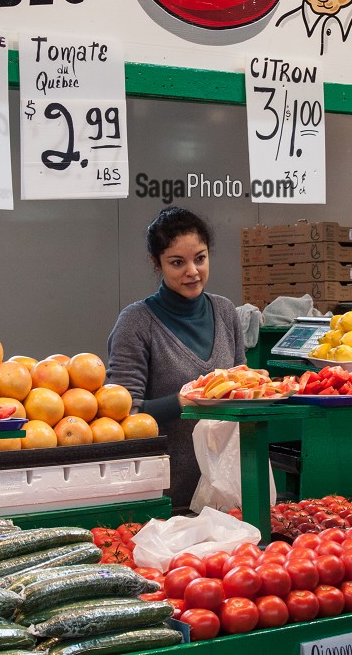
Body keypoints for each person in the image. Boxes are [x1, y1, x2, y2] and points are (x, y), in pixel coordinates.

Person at [107, 207, 245, 510]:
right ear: (157, 263)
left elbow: (241, 389)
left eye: (200, 258)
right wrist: (183, 403)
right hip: (163, 497)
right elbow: (120, 414)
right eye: (177, 262)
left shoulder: (225, 312)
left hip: (224, 495)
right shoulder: (136, 323)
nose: (192, 271)